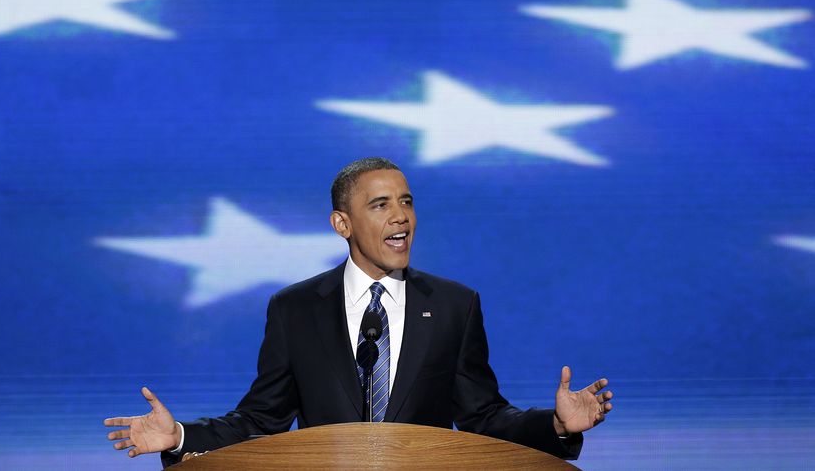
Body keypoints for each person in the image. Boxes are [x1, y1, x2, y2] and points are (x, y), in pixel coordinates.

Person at [104, 157, 613, 466]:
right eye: (380, 205)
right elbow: (262, 417)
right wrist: (180, 437)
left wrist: (559, 426)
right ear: (341, 223)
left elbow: (482, 416)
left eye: (407, 202)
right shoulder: (295, 310)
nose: (400, 216)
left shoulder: (456, 305)